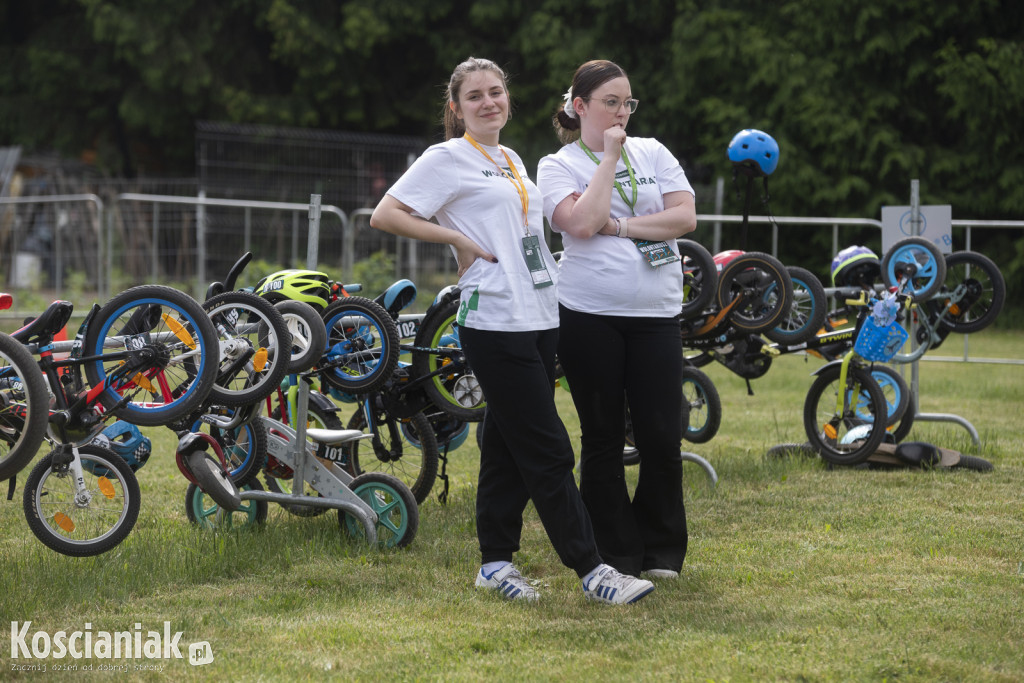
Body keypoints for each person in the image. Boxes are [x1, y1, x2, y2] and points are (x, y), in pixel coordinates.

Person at [369, 57, 654, 605]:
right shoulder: (446, 158)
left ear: (508, 99)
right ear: (456, 108)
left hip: (541, 318)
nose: (488, 102)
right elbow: (386, 213)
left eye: (495, 92)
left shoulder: (510, 158)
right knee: (549, 449)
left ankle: (495, 562)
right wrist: (458, 240)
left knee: (505, 445)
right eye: (474, 96)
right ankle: (593, 569)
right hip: (494, 321)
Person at [536, 59, 697, 579]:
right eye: (611, 102)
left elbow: (684, 216)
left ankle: (662, 549)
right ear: (579, 106)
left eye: (628, 102)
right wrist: (608, 158)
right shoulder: (557, 164)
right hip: (589, 314)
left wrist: (623, 227)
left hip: (656, 314)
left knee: (660, 433)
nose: (622, 112)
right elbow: (581, 223)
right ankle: (615, 550)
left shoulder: (653, 150)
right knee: (602, 437)